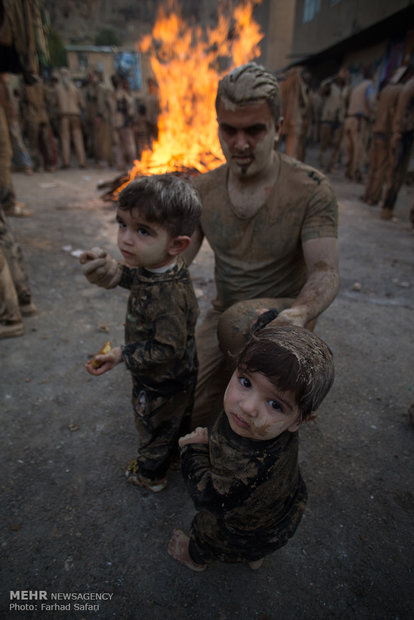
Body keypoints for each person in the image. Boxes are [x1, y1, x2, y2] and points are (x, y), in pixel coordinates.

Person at [184, 62, 339, 428]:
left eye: (254, 130)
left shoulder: (311, 188)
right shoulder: (204, 188)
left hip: (284, 317)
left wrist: (301, 314)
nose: (239, 143)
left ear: (278, 129)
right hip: (224, 314)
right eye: (229, 130)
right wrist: (123, 273)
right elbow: (176, 259)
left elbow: (325, 270)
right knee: (188, 410)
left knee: (254, 425)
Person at [167, 323, 335, 571]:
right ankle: (254, 557)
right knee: (258, 536)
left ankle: (195, 557)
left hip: (238, 529)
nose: (247, 407)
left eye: (275, 405)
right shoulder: (278, 429)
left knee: (209, 531)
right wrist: (266, 321)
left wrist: (193, 452)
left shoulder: (250, 468)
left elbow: (209, 499)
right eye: (245, 381)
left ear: (300, 420)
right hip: (281, 513)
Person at [79, 174, 201, 492]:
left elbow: (166, 348)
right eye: (123, 225)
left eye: (142, 231)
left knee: (152, 426)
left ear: (178, 245)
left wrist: (122, 354)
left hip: (162, 380)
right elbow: (139, 279)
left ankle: (150, 474)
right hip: (180, 375)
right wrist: (113, 270)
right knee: (175, 422)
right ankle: (175, 456)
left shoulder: (169, 296)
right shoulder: (162, 265)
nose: (125, 240)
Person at [361, 68, 404, 207]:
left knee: (373, 167)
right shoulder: (400, 91)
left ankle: (368, 194)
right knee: (381, 168)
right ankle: (373, 197)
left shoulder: (385, 90)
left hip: (376, 132)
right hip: (386, 134)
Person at [380, 68, 414, 221]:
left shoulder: (406, 86)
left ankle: (387, 209)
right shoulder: (409, 87)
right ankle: (387, 209)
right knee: (396, 173)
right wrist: (398, 131)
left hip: (402, 133)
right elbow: (400, 112)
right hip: (403, 134)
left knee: (396, 173)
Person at [343, 67, 377, 182]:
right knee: (359, 148)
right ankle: (357, 173)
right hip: (359, 121)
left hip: (349, 118)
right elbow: (371, 101)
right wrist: (375, 114)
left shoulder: (356, 87)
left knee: (349, 147)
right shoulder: (369, 86)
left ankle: (348, 171)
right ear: (372, 76)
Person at [54, 68, 86, 169]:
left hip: (64, 117)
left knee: (65, 139)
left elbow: (54, 103)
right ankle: (82, 162)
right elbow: (82, 104)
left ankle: (66, 162)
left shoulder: (57, 88)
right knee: (78, 139)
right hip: (75, 115)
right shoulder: (75, 88)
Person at [319, 67, 350, 173]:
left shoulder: (347, 89)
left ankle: (332, 165)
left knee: (336, 145)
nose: (345, 76)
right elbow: (322, 91)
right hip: (328, 118)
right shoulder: (330, 86)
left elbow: (347, 103)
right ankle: (323, 164)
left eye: (346, 74)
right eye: (343, 73)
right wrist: (331, 80)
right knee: (325, 143)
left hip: (339, 120)